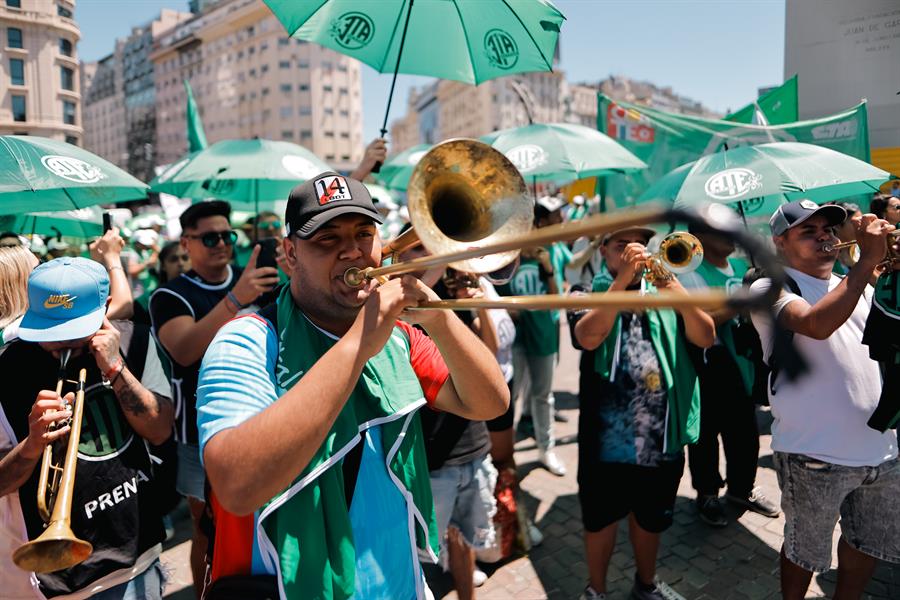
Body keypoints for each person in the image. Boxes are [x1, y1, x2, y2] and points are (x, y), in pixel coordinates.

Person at [196, 172, 508, 599]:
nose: (351, 251)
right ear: (290, 253)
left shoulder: (399, 337)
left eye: (364, 233)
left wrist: (440, 318)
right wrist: (360, 342)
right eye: (326, 239)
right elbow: (237, 484)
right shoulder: (246, 339)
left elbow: (490, 402)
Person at [748, 200, 900, 600]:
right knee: (805, 552)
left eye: (829, 230)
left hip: (881, 449)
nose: (825, 238)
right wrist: (867, 263)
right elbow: (815, 324)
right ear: (780, 243)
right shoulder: (768, 286)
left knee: (865, 543)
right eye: (808, 232)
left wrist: (888, 271)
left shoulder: (856, 283)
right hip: (813, 456)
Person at [0, 257, 174, 599]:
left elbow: (159, 429)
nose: (60, 346)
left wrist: (116, 369)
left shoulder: (133, 339)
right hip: (58, 579)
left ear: (105, 308)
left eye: (72, 331)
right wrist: (33, 444)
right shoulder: (7, 369)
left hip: (135, 556)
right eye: (50, 332)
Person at [573, 226, 715, 600]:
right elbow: (587, 337)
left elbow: (705, 336)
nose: (633, 249)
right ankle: (597, 590)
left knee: (651, 519)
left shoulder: (666, 294)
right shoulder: (586, 291)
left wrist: (674, 287)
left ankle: (646, 584)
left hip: (659, 437)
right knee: (600, 519)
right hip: (605, 439)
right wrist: (621, 281)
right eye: (621, 243)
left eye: (640, 243)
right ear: (603, 250)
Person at [148, 200, 279, 597]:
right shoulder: (169, 296)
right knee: (207, 529)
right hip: (197, 436)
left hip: (265, 420)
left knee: (261, 520)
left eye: (227, 235)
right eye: (210, 237)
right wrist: (236, 301)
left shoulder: (253, 277)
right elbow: (184, 349)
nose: (222, 243)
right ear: (187, 243)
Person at [678, 223, 779, 527]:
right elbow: (700, 322)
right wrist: (739, 303)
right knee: (706, 435)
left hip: (746, 361)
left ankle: (741, 489)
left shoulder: (742, 266)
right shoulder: (690, 274)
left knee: (745, 434)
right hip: (711, 362)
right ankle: (707, 493)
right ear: (701, 239)